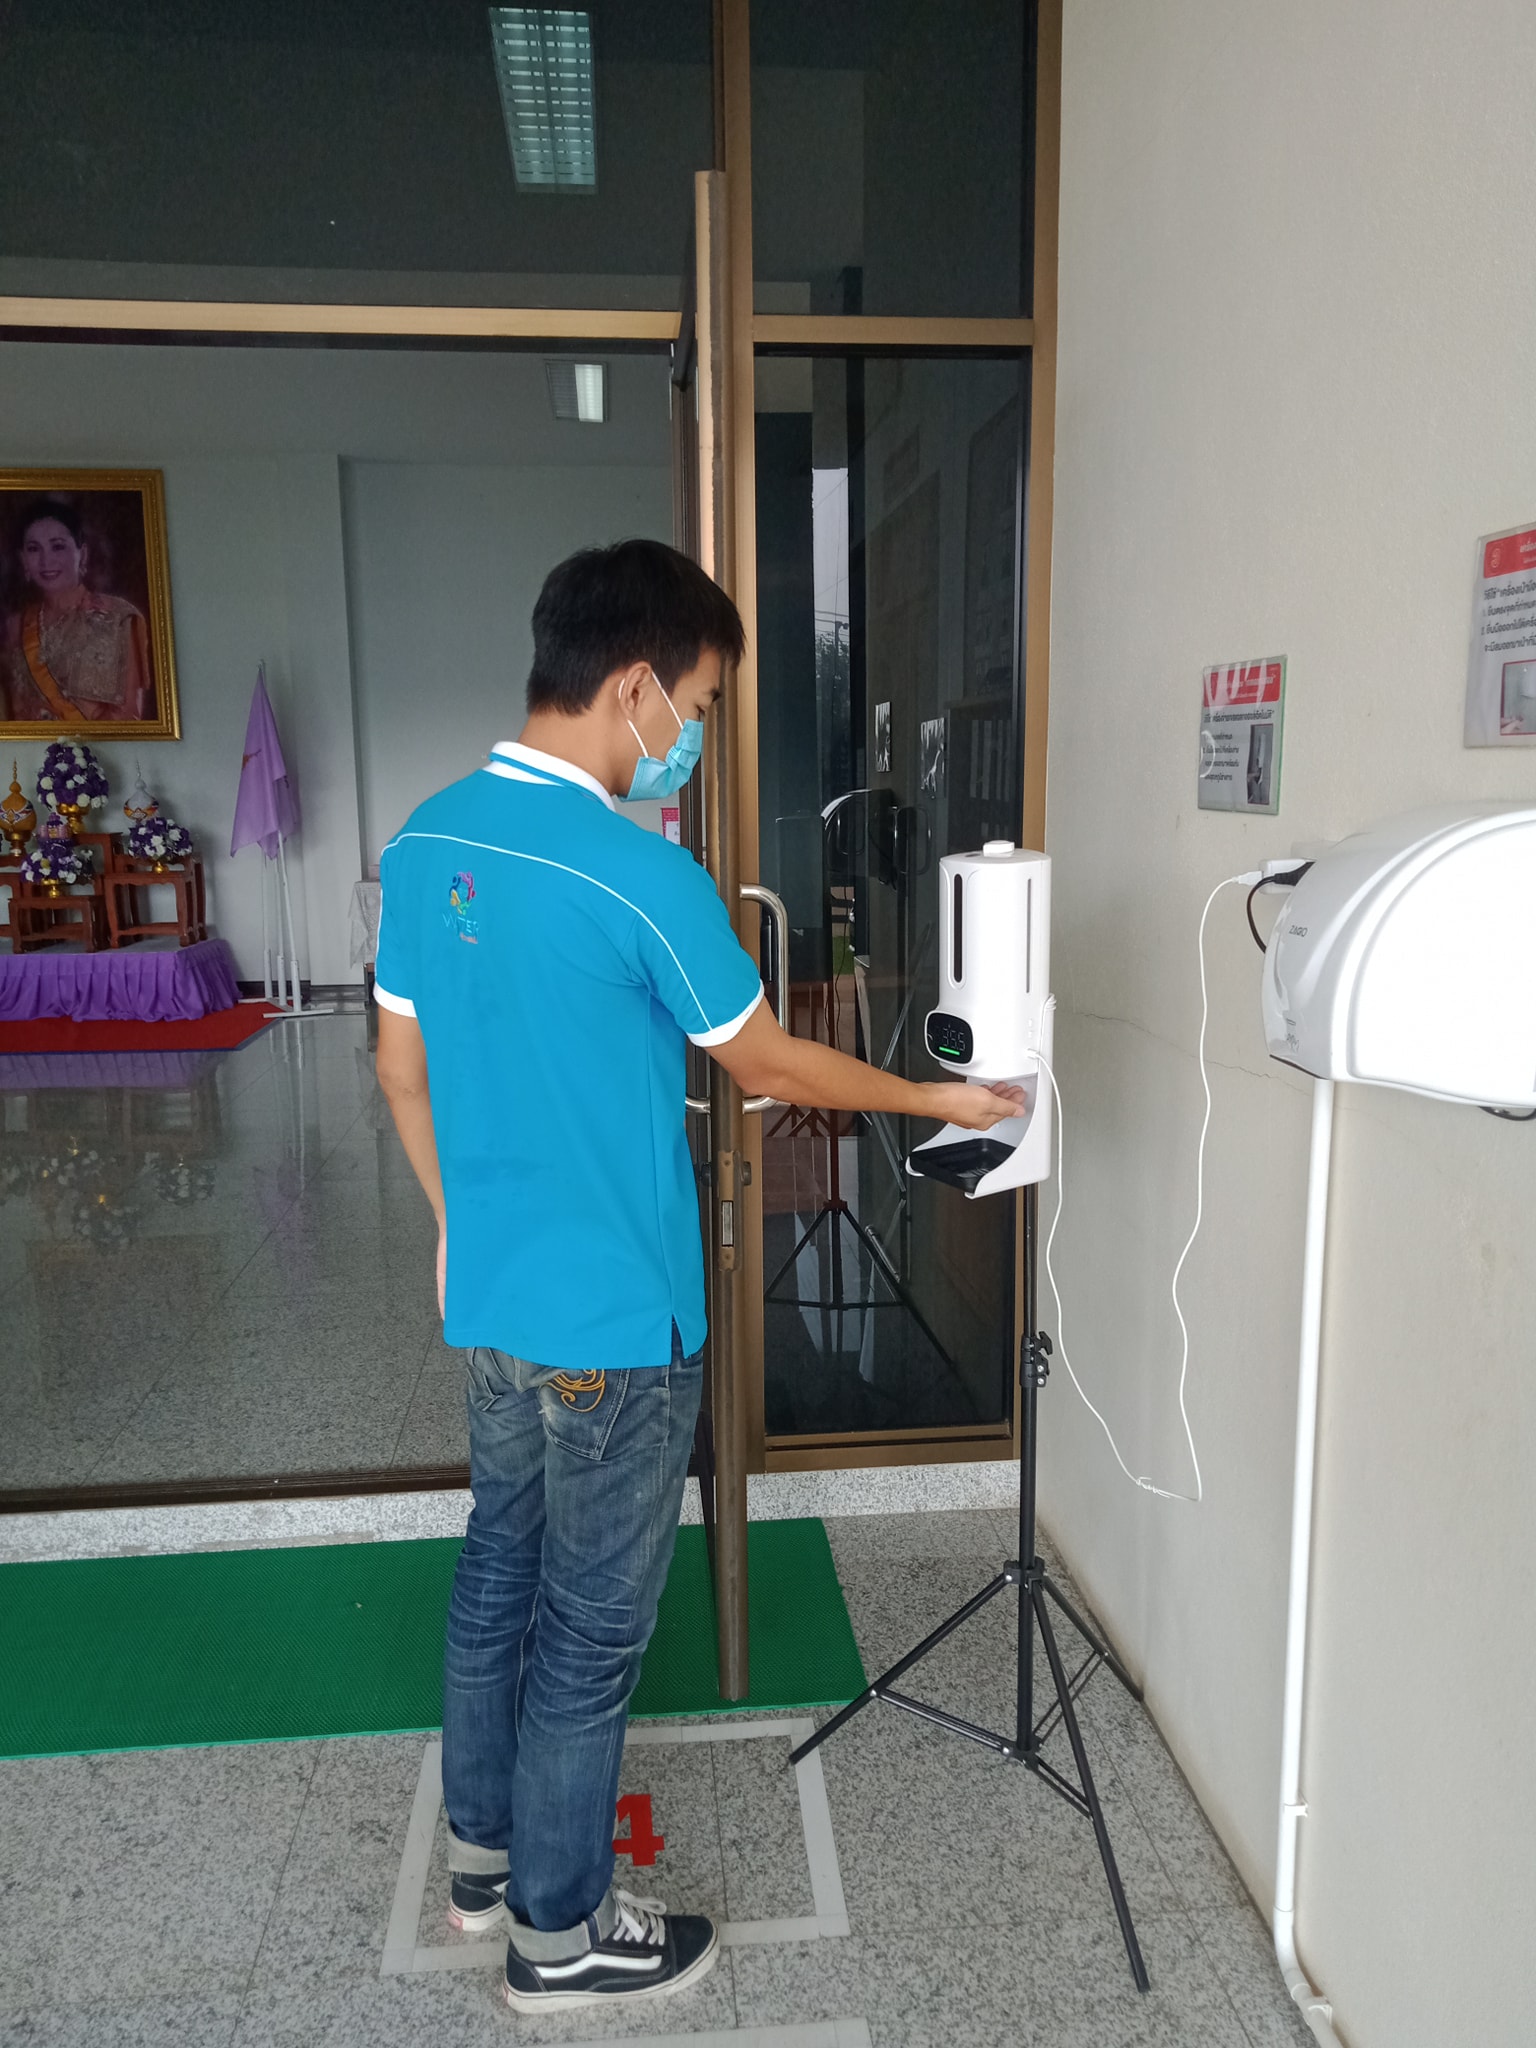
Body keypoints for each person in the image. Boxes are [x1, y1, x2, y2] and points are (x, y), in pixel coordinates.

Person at [373, 539, 1022, 2020]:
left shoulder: (422, 842)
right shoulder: (637, 870)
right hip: (615, 1319)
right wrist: (938, 1099)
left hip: (492, 1302)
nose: (697, 734)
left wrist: (455, 1222)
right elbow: (768, 1063)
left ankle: (481, 1860)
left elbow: (401, 1073)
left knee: (496, 1571)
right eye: (703, 703)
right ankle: (558, 1935)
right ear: (635, 685)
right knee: (589, 1628)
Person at [1, 498, 153, 722]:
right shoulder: (15, 627)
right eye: (34, 549)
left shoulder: (116, 617)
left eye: (58, 546)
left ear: (82, 553)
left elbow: (127, 716)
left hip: (101, 745)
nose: (46, 560)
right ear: (23, 559)